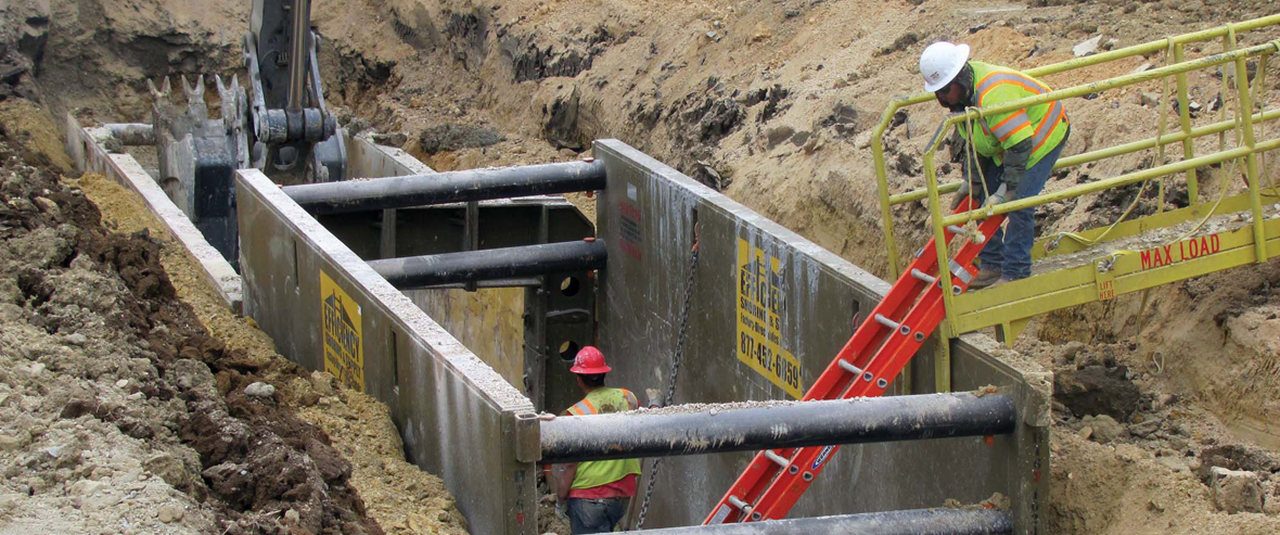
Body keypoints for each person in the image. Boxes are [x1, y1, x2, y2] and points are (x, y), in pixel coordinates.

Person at [920, 41, 1071, 288]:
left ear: (959, 79)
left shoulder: (993, 95)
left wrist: (1007, 190)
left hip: (1042, 135)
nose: (941, 98)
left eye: (944, 91)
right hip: (1008, 140)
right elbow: (974, 140)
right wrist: (973, 180)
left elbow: (1020, 146)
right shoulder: (962, 99)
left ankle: (1015, 271)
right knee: (981, 197)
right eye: (937, 92)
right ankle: (992, 264)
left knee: (1020, 202)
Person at [551, 346, 641, 534]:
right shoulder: (627, 397)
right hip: (622, 495)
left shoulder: (575, 414)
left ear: (578, 379)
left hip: (587, 498)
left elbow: (569, 465)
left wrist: (560, 499)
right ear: (604, 374)